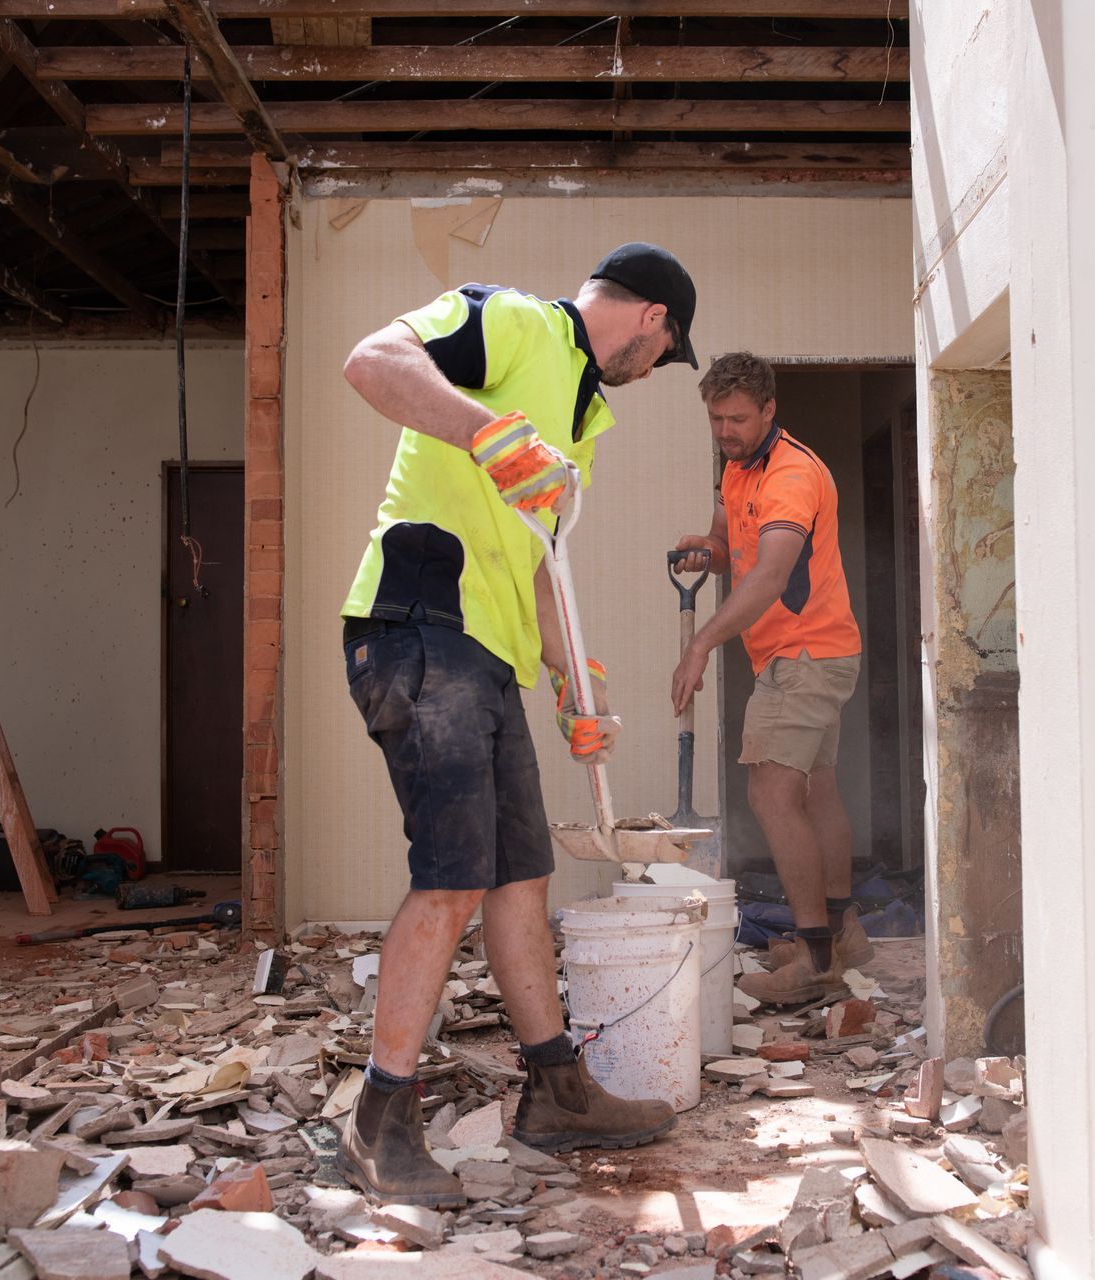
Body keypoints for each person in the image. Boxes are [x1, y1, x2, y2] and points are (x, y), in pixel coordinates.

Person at [336, 244, 700, 1206]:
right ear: (653, 320)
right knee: (454, 878)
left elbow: (542, 559)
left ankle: (557, 1092)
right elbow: (373, 362)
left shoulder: (585, 413)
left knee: (519, 877)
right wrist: (486, 429)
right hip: (420, 623)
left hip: (487, 652)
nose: (656, 373)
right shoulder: (511, 319)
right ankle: (378, 1124)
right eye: (666, 354)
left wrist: (572, 679)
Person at [669, 352, 872, 1006]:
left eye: (736, 419)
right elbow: (734, 548)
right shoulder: (738, 466)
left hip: (805, 654)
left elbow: (770, 576)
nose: (724, 430)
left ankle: (815, 960)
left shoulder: (792, 474)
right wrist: (708, 548)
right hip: (809, 650)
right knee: (815, 790)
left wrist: (701, 643)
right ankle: (845, 936)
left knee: (770, 792)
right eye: (714, 419)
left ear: (768, 412)